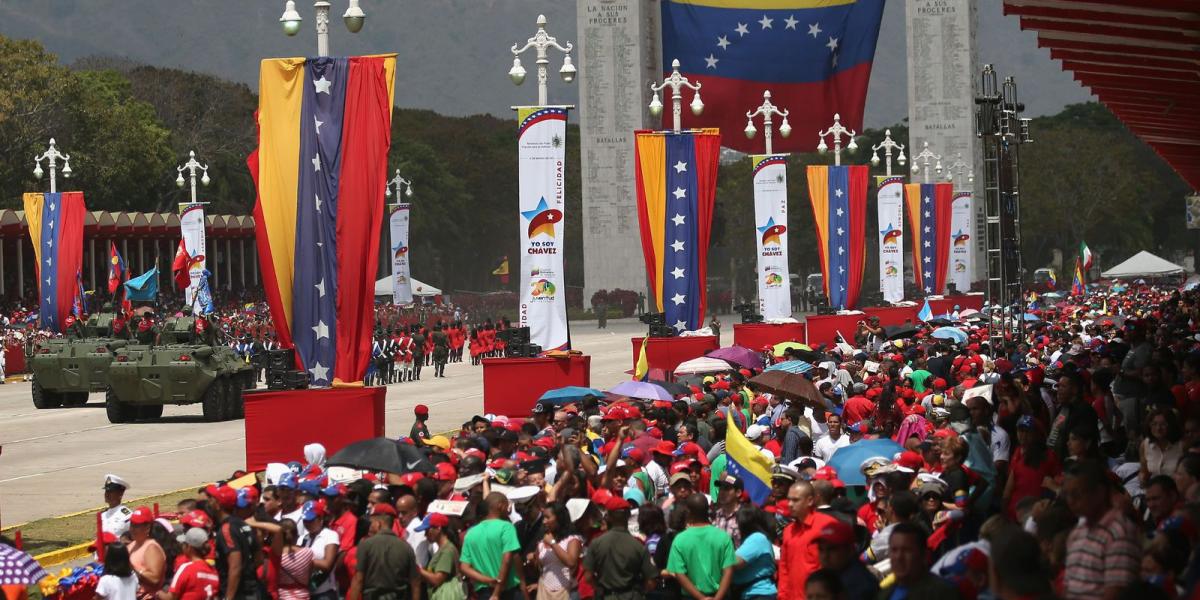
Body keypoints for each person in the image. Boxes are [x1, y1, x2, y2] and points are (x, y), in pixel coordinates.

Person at [1062, 460, 1140, 599]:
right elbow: (1069, 587)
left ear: (1100, 492)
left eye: (1076, 494)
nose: (1070, 501)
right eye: (1067, 494)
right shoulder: (1077, 533)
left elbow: (1116, 592)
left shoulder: (1119, 532)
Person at [665, 494, 735, 600]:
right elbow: (728, 571)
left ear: (688, 512)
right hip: (721, 596)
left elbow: (679, 574)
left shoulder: (680, 540)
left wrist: (701, 598)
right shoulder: (723, 537)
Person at [779, 481, 840, 600]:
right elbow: (784, 567)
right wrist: (782, 596)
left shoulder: (827, 526)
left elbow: (837, 566)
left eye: (795, 500)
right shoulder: (788, 531)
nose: (790, 504)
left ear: (810, 501)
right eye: (789, 499)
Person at [586, 496, 657, 599]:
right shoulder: (638, 545)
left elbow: (588, 577)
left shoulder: (596, 543)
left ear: (608, 516)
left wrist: (599, 588)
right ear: (628, 516)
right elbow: (651, 581)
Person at [459, 493, 524, 600]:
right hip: (508, 592)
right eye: (507, 506)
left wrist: (487, 580)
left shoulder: (470, 534)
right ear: (500, 505)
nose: (508, 511)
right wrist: (496, 593)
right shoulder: (506, 527)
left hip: (484, 593)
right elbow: (507, 560)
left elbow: (464, 567)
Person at [350, 504, 420, 600]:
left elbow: (358, 579)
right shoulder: (406, 547)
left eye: (371, 522)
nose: (369, 526)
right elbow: (415, 583)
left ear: (379, 523)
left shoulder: (366, 544)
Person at [878, 522, 960, 599]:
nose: (899, 557)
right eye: (894, 550)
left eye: (907, 550)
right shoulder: (884, 594)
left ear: (924, 555)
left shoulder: (942, 594)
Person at [815, 518, 879, 600]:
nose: (825, 556)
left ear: (849, 550)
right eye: (821, 549)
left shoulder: (859, 583)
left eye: (832, 549)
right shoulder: (831, 575)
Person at [536, 503, 582, 600]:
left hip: (566, 592)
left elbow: (571, 562)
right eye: (543, 518)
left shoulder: (572, 539)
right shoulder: (543, 539)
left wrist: (553, 543)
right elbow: (541, 567)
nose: (544, 521)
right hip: (545, 592)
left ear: (559, 519)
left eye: (548, 518)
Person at [159, 528, 220, 600]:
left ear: (189, 547)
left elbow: (170, 598)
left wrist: (156, 592)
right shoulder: (214, 572)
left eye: (183, 544)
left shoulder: (186, 568)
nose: (182, 546)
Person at [731, 506, 776, 600]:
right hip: (748, 593)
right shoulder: (751, 539)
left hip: (759, 593)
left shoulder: (757, 538)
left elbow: (735, 562)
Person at [416, 513, 464, 600]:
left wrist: (418, 569)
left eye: (427, 530)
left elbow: (437, 580)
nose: (425, 535)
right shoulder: (442, 549)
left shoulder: (447, 550)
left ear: (438, 528)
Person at [126, 507, 166, 600]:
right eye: (131, 524)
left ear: (148, 527)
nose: (132, 528)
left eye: (136, 525)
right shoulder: (131, 545)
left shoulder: (151, 548)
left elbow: (155, 579)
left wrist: (134, 570)